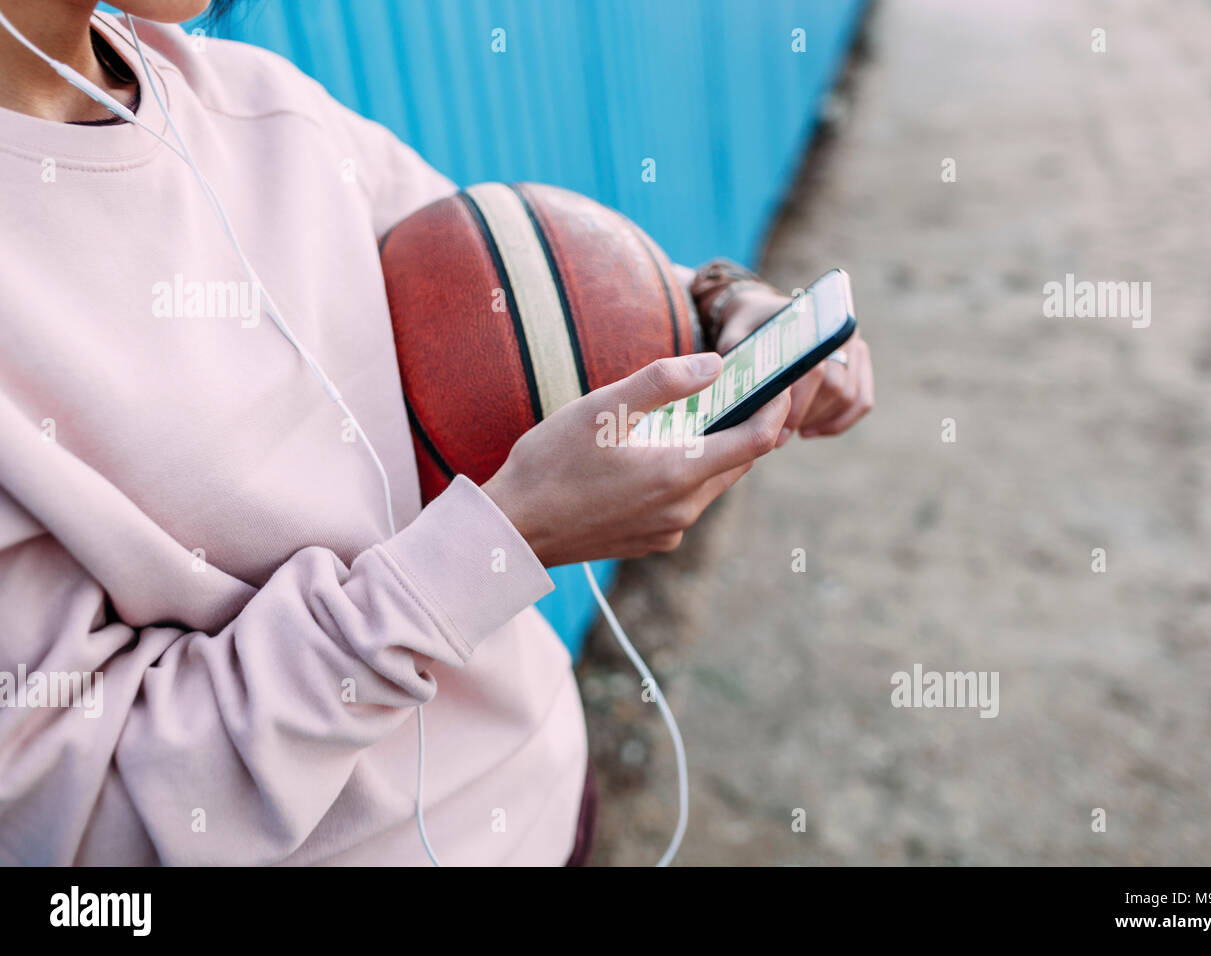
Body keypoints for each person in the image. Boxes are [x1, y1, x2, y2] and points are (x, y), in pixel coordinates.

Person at [0, 0, 873, 865]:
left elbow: (511, 278)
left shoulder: (246, 95)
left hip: (548, 795)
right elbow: (82, 827)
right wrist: (499, 544)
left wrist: (721, 308)